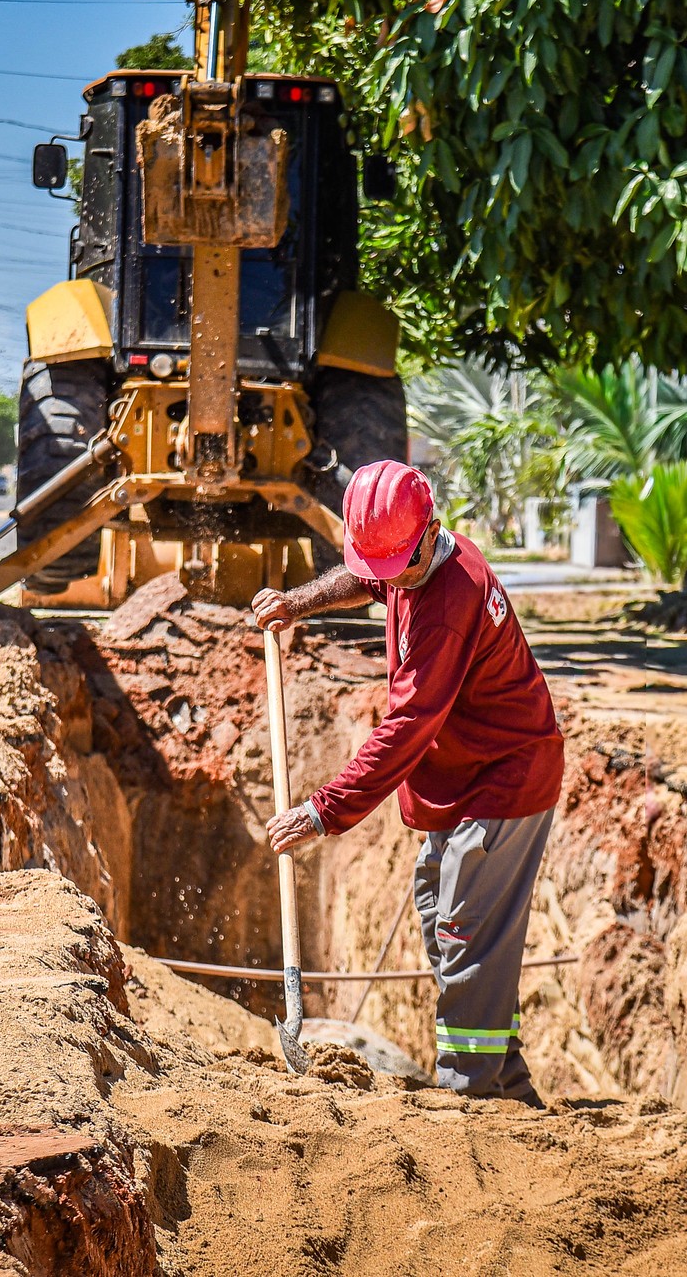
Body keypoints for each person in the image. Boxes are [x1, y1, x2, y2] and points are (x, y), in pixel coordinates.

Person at [252, 459, 563, 1103]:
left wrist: (323, 811)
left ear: (429, 532)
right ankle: (506, 1084)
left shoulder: (448, 603)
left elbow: (408, 727)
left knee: (466, 936)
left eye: (396, 567)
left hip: (503, 780)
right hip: (466, 777)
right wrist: (298, 604)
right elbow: (369, 580)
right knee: (441, 914)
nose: (387, 580)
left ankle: (469, 1095)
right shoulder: (412, 555)